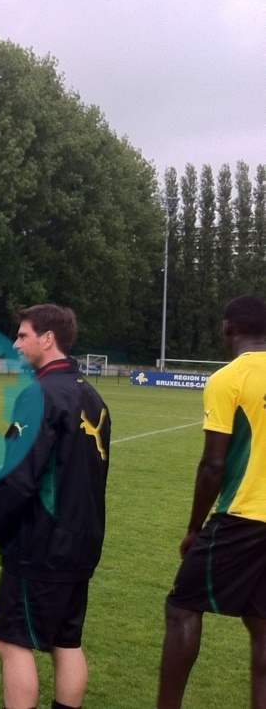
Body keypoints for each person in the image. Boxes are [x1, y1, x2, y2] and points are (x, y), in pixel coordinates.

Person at [0, 304, 109, 709]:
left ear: (48, 339)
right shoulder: (92, 394)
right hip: (83, 541)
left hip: (41, 544)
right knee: (66, 641)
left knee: (12, 642)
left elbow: (19, 476)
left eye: (23, 334)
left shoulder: (40, 394)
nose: (15, 343)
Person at [157, 295, 266, 709]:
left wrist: (193, 528)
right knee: (261, 623)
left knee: (183, 607)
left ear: (228, 328)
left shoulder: (228, 378)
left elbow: (212, 466)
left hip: (242, 516)